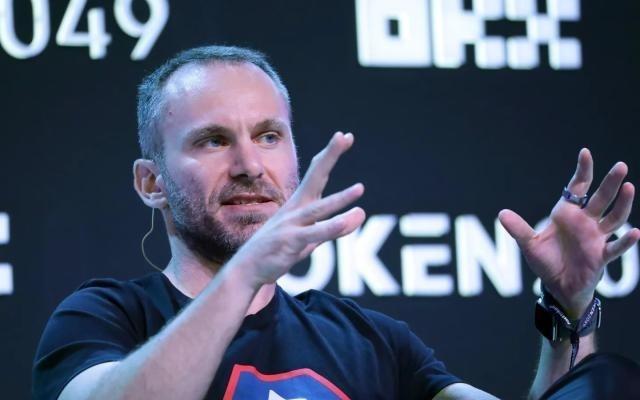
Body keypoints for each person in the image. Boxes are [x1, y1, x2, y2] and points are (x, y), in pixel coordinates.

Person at [33, 45, 640, 400]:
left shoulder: (371, 342)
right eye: (213, 140)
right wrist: (245, 273)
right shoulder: (104, 319)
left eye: (268, 136)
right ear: (151, 182)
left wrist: (568, 309)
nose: (249, 165)